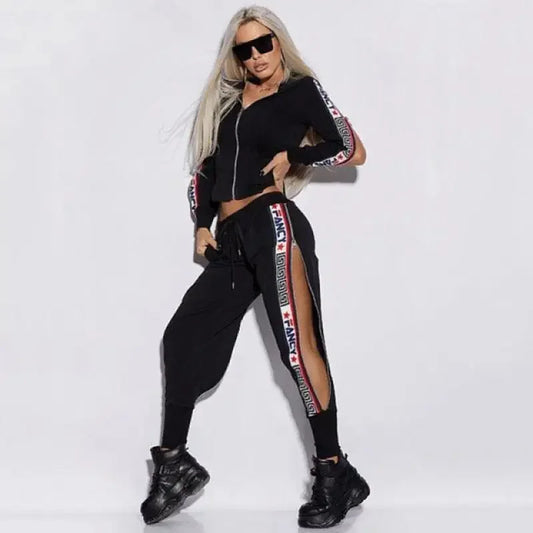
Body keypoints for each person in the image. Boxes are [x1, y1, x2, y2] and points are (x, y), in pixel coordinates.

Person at [140, 5, 370, 529]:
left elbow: (353, 150)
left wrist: (297, 156)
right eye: (245, 48)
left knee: (299, 349)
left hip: (275, 227)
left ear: (278, 42)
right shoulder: (226, 107)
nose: (257, 55)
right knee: (182, 338)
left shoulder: (300, 92)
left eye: (264, 43)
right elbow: (206, 169)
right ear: (236, 56)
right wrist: (202, 224)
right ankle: (174, 465)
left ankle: (334, 471)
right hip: (230, 240)